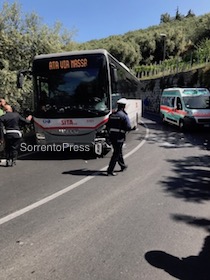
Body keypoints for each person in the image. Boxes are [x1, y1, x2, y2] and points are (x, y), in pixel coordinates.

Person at [106, 98, 131, 176]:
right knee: (116, 153)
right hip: (119, 137)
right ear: (124, 106)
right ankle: (110, 170)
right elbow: (128, 127)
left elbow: (107, 126)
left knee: (118, 151)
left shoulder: (112, 115)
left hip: (112, 137)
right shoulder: (124, 116)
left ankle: (122, 166)